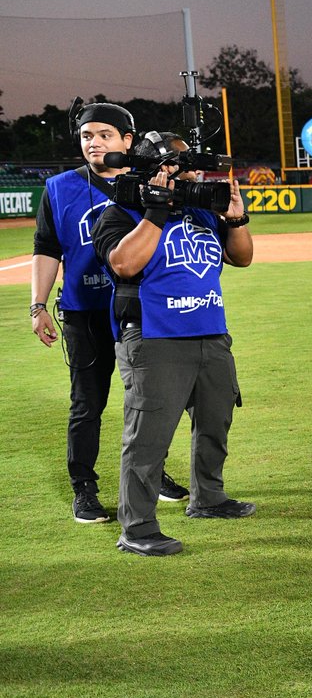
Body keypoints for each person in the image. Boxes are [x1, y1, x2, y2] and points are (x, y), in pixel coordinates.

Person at [92, 133, 257, 556]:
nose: (194, 177)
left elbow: (241, 257)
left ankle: (209, 498)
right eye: (183, 169)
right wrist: (156, 210)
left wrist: (235, 219)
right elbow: (124, 263)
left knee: (215, 422)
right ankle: (138, 526)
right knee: (148, 437)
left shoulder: (202, 212)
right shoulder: (121, 213)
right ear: (156, 170)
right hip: (155, 339)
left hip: (211, 332)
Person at [31, 103, 190, 525]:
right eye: (87, 136)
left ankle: (150, 474)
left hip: (143, 309)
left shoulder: (149, 184)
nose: (94, 142)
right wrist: (38, 305)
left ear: (127, 141)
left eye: (105, 134)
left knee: (150, 400)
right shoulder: (60, 187)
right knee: (88, 403)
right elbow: (47, 248)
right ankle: (84, 489)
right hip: (85, 311)